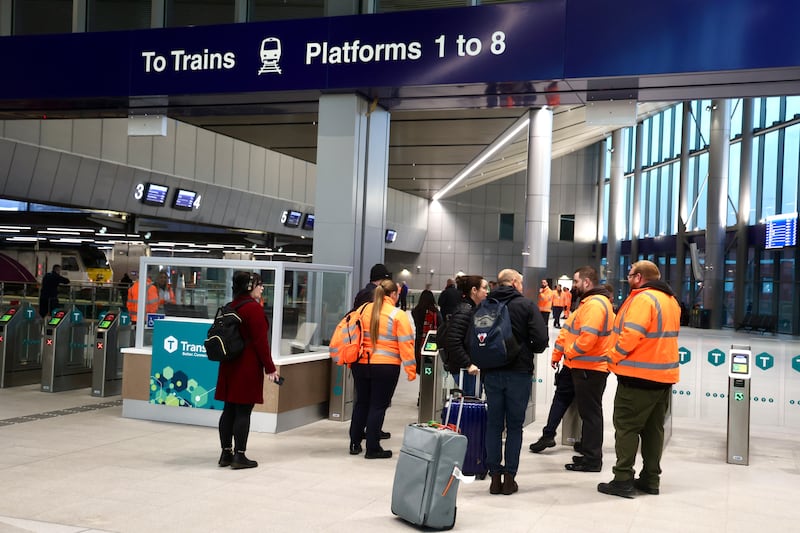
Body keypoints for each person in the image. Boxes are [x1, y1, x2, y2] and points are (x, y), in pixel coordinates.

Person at [598, 260, 681, 498]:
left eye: (630, 274)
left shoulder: (644, 299)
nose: (628, 277)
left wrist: (612, 358)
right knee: (654, 430)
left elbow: (630, 335)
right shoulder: (670, 300)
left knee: (626, 427)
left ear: (639, 277)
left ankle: (622, 478)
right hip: (663, 377)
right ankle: (650, 479)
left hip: (638, 377)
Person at [484, 269, 548, 495]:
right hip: (519, 373)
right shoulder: (526, 305)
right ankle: (510, 478)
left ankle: (494, 477)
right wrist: (526, 346)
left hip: (491, 372)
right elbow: (541, 341)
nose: (522, 286)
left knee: (493, 425)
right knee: (514, 426)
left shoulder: (486, 304)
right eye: (520, 282)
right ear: (513, 282)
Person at [215, 271, 280, 470]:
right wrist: (270, 368)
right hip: (247, 366)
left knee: (229, 410)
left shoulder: (230, 306)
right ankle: (240, 456)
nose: (262, 288)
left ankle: (226, 453)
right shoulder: (253, 309)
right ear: (250, 286)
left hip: (228, 365)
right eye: (260, 284)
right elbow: (261, 343)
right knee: (243, 411)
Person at [348, 279, 416, 459]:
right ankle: (373, 447)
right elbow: (406, 345)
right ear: (393, 294)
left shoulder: (362, 310)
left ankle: (355, 443)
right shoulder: (397, 315)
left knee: (361, 403)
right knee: (378, 406)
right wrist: (411, 370)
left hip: (360, 364)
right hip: (386, 367)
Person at [555, 266, 614, 472]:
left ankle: (592, 459)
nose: (574, 285)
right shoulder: (591, 303)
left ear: (587, 282)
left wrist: (569, 352)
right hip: (589, 366)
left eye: (577, 281)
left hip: (591, 367)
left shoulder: (595, 305)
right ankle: (589, 453)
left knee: (590, 414)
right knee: (589, 413)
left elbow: (588, 338)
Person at [441, 275, 487, 397]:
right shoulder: (465, 311)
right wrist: (468, 364)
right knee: (468, 405)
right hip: (465, 370)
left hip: (469, 369)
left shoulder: (471, 309)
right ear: (474, 290)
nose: (487, 292)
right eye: (484, 288)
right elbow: (453, 340)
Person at [411, 289, 443, 370]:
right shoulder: (435, 311)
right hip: (431, 340)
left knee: (420, 359)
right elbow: (441, 325)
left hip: (419, 338)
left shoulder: (415, 311)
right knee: (429, 363)